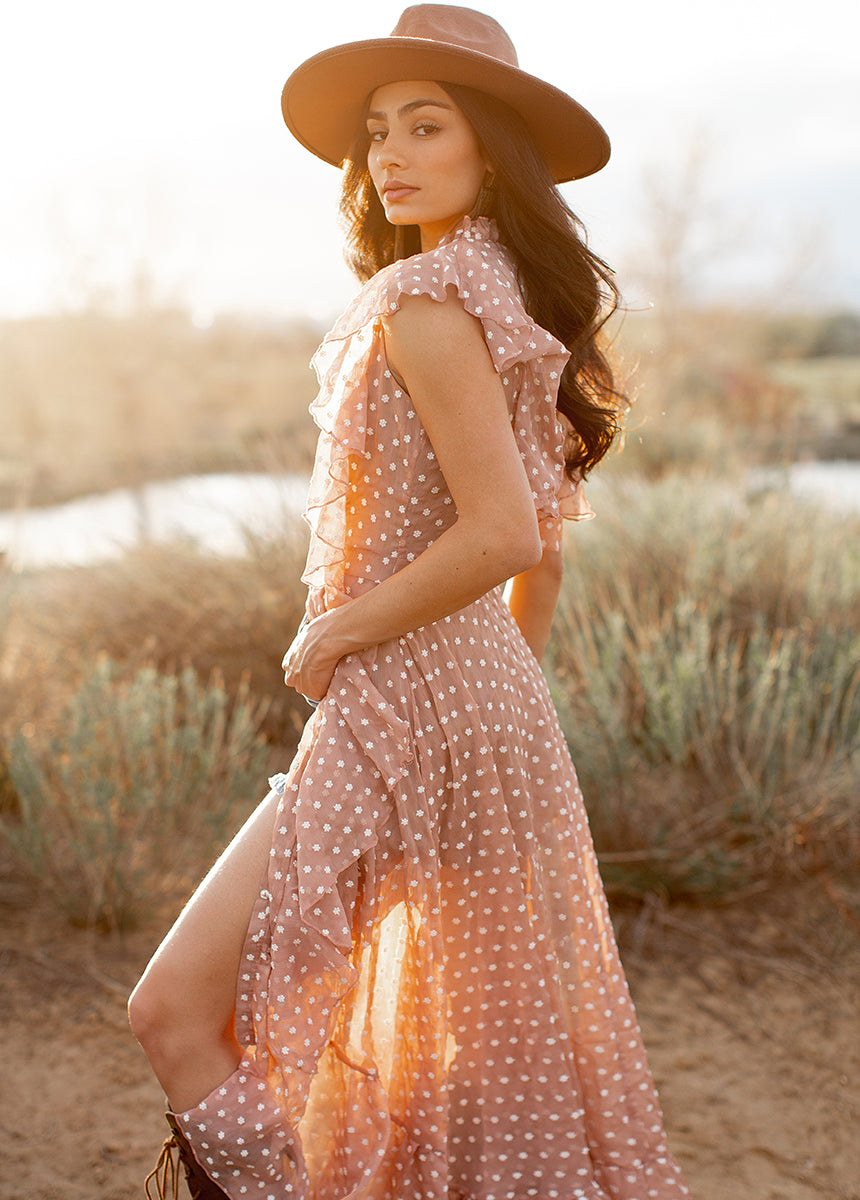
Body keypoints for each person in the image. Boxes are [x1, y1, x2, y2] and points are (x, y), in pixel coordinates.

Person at [129, 6, 690, 1198]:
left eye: (424, 125)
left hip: (411, 702)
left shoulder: (429, 298)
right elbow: (540, 545)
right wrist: (499, 693)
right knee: (479, 1063)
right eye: (376, 130)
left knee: (172, 1012)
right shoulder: (505, 300)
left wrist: (343, 628)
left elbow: (500, 531)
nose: (388, 153)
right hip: (475, 706)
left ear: (489, 146)